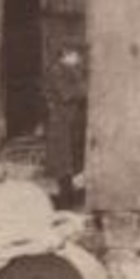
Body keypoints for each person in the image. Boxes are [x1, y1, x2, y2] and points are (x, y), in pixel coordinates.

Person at [43, 44, 89, 208]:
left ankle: (71, 197)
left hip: (71, 121)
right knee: (64, 162)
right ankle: (65, 200)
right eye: (76, 55)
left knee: (73, 161)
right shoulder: (58, 71)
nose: (79, 59)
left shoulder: (70, 70)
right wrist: (88, 89)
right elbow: (67, 93)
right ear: (67, 54)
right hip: (61, 122)